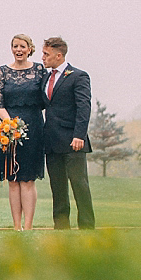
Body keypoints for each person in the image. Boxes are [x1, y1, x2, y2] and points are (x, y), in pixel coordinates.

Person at [41, 36, 95, 230]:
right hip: (52, 140)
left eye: (46, 54)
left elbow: (83, 108)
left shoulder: (78, 76)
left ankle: (87, 226)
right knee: (58, 187)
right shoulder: (46, 77)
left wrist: (79, 135)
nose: (43, 57)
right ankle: (61, 226)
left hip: (73, 141)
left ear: (59, 55)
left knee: (79, 185)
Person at [0, 34, 46, 231]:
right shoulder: (2, 72)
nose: (18, 50)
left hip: (33, 127)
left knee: (28, 179)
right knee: (13, 179)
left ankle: (29, 225)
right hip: (8, 129)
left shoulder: (39, 70)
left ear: (29, 49)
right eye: (15, 46)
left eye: (22, 46)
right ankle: (16, 226)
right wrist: (10, 125)